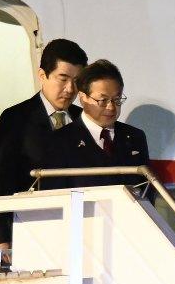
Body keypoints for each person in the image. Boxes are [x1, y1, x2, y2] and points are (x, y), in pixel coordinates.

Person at [0, 39, 88, 252]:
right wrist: (1, 240)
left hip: (78, 231)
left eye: (77, 81)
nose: (70, 89)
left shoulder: (83, 119)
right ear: (42, 75)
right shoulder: (16, 118)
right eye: (63, 79)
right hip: (29, 230)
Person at [39, 59, 150, 191]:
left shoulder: (135, 137)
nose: (111, 107)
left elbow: (147, 189)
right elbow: (53, 197)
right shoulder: (59, 142)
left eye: (117, 99)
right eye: (102, 100)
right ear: (83, 97)